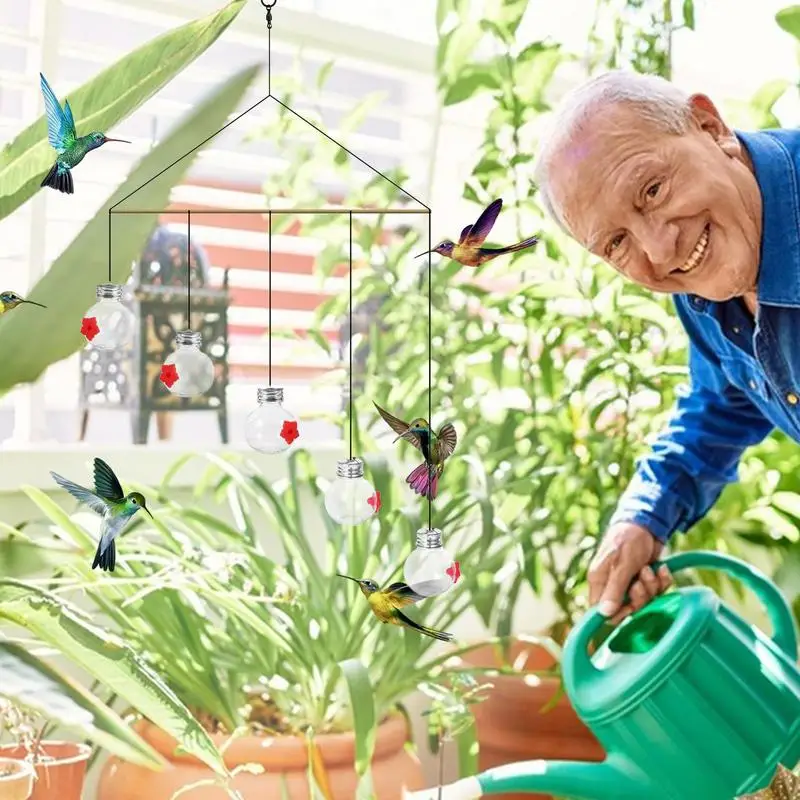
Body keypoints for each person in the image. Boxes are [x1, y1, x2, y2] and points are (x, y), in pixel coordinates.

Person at [532, 69, 800, 622]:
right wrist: (644, 516)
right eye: (617, 242)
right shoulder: (705, 273)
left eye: (652, 190)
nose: (659, 249)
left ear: (710, 126)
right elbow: (724, 399)